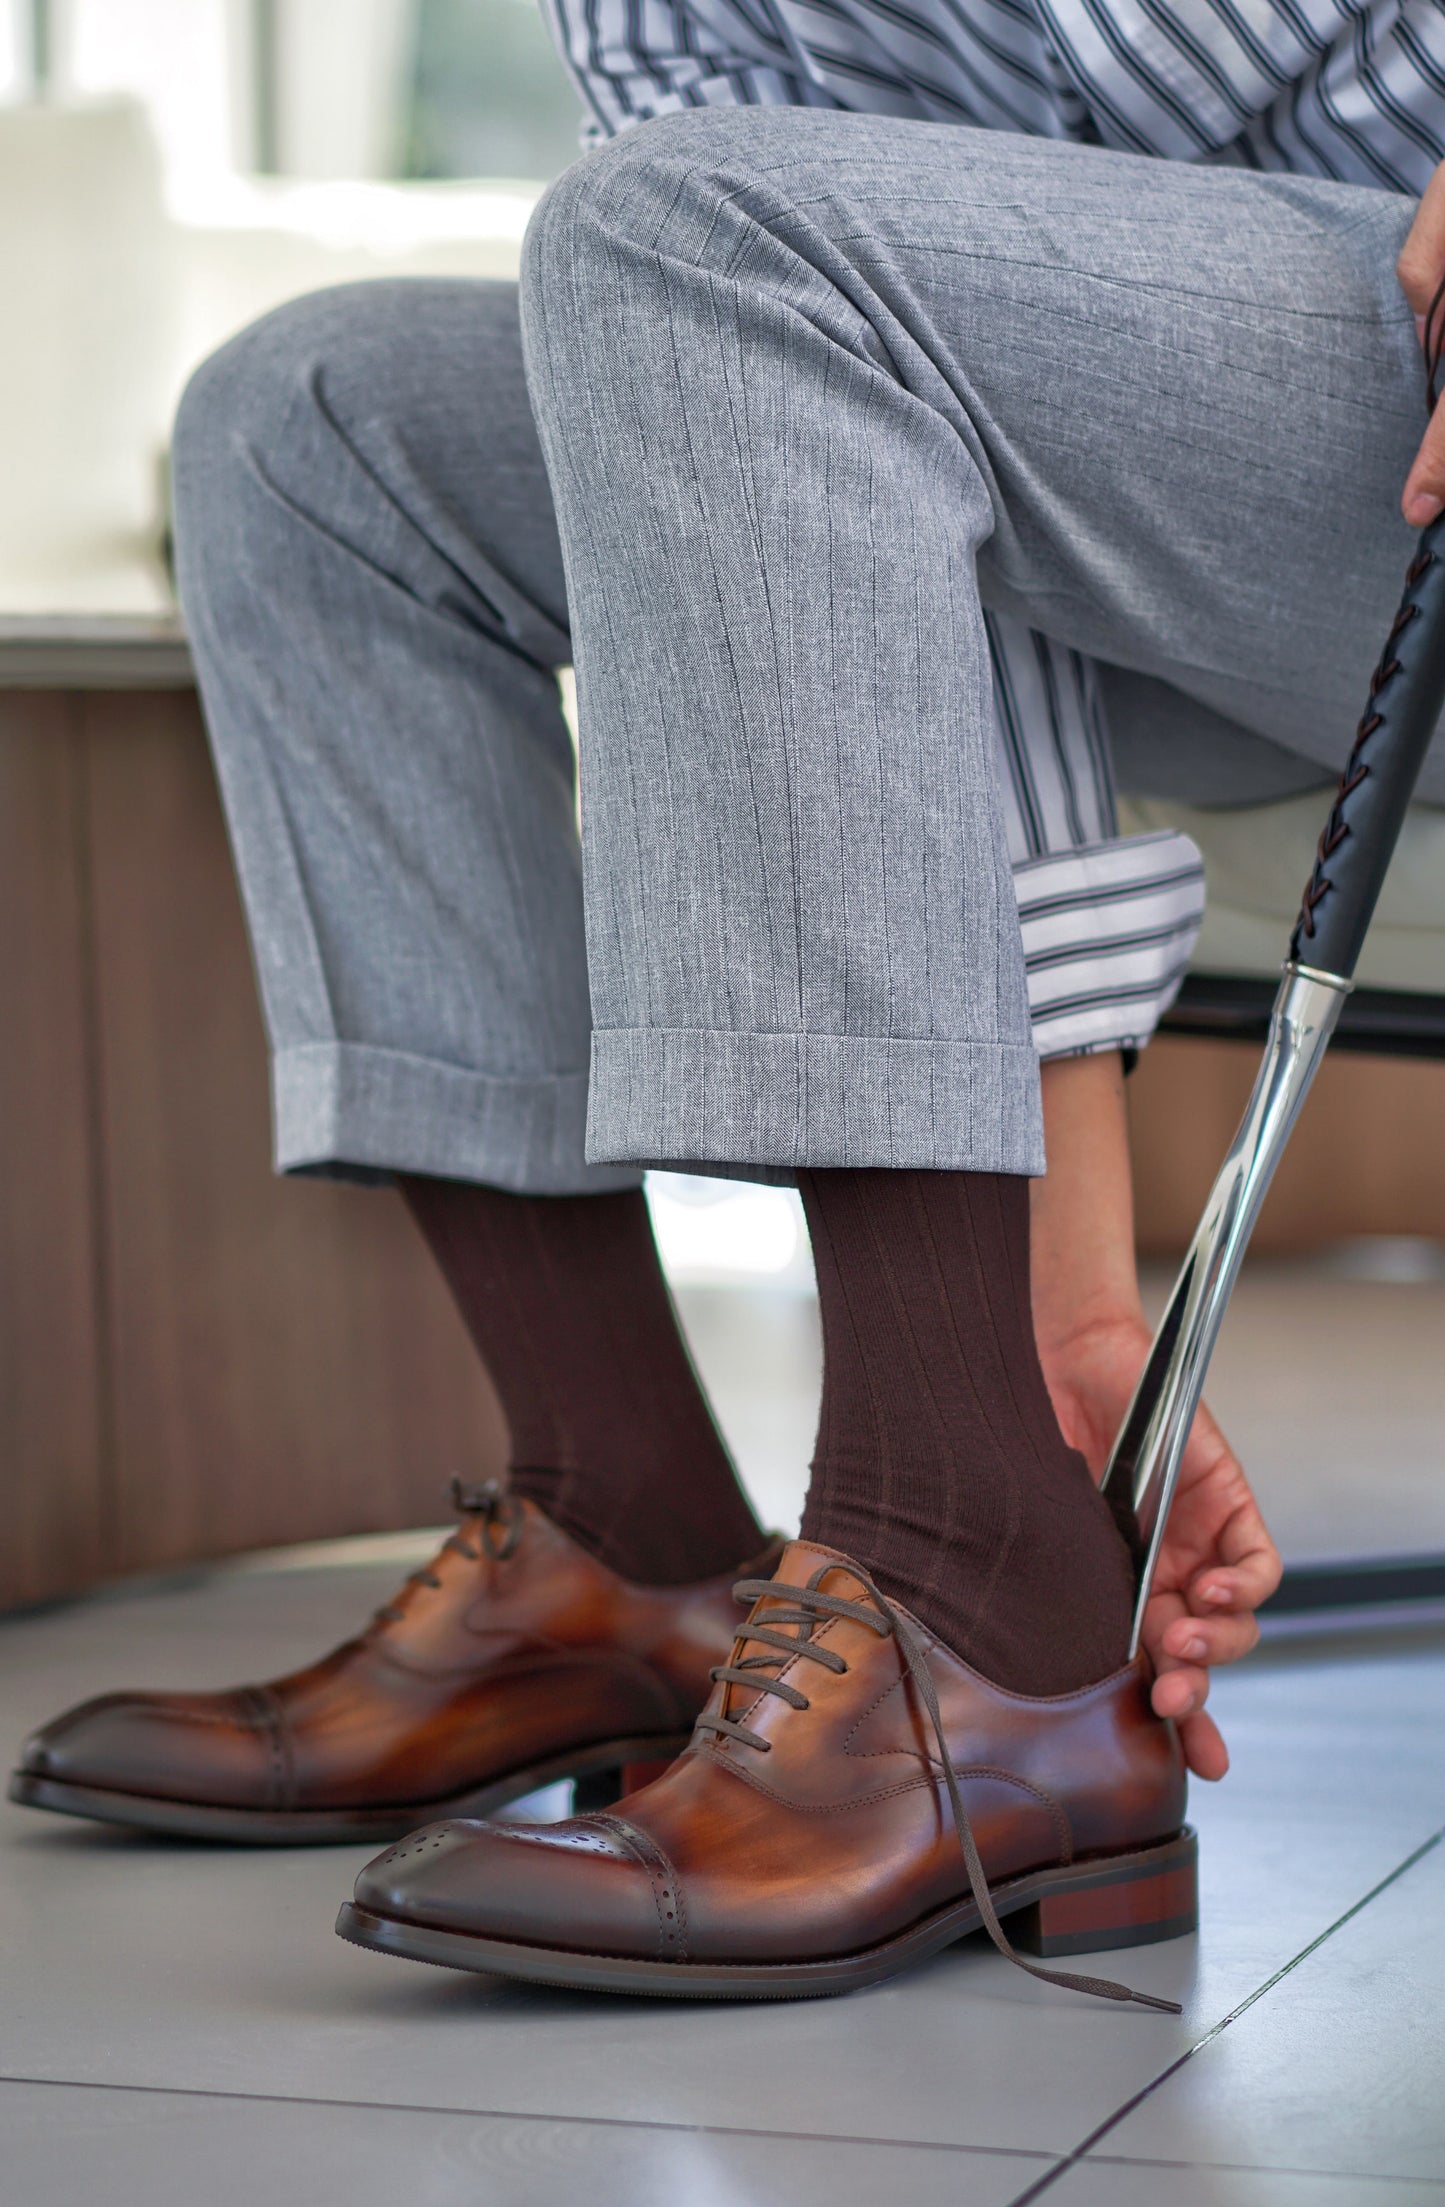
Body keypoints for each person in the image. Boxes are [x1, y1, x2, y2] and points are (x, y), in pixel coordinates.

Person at [20, 4, 1445, 2005]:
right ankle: (631, 1547)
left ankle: (959, 1596)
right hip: (1206, 503)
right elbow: (894, 434)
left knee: (708, 234)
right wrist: (1059, 1296)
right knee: (321, 420)